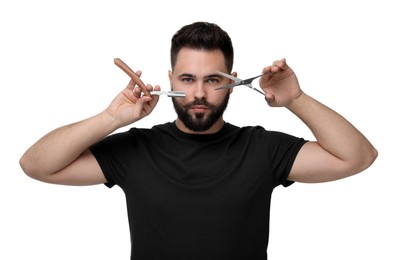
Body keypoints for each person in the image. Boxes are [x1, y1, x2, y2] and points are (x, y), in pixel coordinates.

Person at [19, 21, 378, 260]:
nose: (200, 93)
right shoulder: (135, 149)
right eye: (188, 79)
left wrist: (296, 98)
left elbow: (357, 157)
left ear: (233, 81)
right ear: (171, 78)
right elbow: (36, 165)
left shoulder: (262, 149)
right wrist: (111, 118)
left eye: (213, 79)